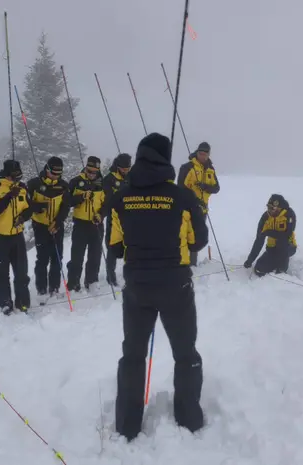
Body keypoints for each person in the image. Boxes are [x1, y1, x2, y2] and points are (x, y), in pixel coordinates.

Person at [108, 133, 209, 441]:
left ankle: (127, 425)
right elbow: (198, 241)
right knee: (185, 353)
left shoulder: (121, 197)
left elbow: (114, 247)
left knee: (133, 355)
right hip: (175, 286)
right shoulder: (183, 197)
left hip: (138, 288)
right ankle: (189, 419)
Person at [0, 159, 38, 314]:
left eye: (19, 177)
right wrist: (8, 196)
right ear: (7, 175)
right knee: (3, 273)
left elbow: (30, 208)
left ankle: (23, 302)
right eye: (14, 177)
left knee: (21, 272)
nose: (17, 180)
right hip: (0, 237)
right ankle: (5, 302)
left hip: (17, 236)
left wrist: (22, 218)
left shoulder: (22, 188)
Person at [26, 156, 71, 303]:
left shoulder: (63, 185)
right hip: (40, 226)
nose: (56, 176)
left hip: (57, 226)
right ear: (47, 169)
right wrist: (38, 207)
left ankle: (55, 287)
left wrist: (58, 222)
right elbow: (26, 204)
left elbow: (66, 206)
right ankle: (41, 288)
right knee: (42, 258)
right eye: (53, 173)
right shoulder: (34, 184)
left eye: (59, 174)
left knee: (57, 258)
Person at [66, 156, 106, 291]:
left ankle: (92, 281)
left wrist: (101, 214)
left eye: (94, 172)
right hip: (80, 224)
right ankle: (73, 283)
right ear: (86, 168)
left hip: (96, 224)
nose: (92, 174)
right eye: (89, 171)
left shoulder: (103, 183)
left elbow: (107, 203)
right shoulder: (76, 182)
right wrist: (81, 197)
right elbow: (67, 201)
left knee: (95, 255)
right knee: (77, 256)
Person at [177, 141, 219, 266]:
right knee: (184, 235)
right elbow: (180, 187)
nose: (203, 156)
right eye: (200, 154)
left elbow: (216, 188)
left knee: (197, 237)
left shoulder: (211, 169)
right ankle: (182, 262)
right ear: (197, 153)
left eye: (205, 154)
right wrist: (193, 199)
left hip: (202, 209)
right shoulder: (187, 167)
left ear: (208, 155)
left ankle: (193, 264)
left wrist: (205, 187)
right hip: (187, 208)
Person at [243, 194, 298, 276]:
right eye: (268, 207)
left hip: (288, 247)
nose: (269, 210)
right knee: (259, 269)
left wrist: (269, 232)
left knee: (282, 242)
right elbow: (259, 240)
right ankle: (274, 263)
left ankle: (282, 270)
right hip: (272, 249)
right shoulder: (265, 217)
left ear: (280, 208)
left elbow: (287, 235)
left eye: (272, 208)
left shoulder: (289, 215)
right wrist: (250, 260)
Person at [100, 153, 132, 286]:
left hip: (130, 216)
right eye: (123, 169)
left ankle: (130, 273)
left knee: (130, 245)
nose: (126, 171)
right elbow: (106, 199)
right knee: (112, 246)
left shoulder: (132, 177)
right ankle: (110, 274)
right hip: (114, 217)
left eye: (128, 169)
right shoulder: (109, 179)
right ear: (118, 167)